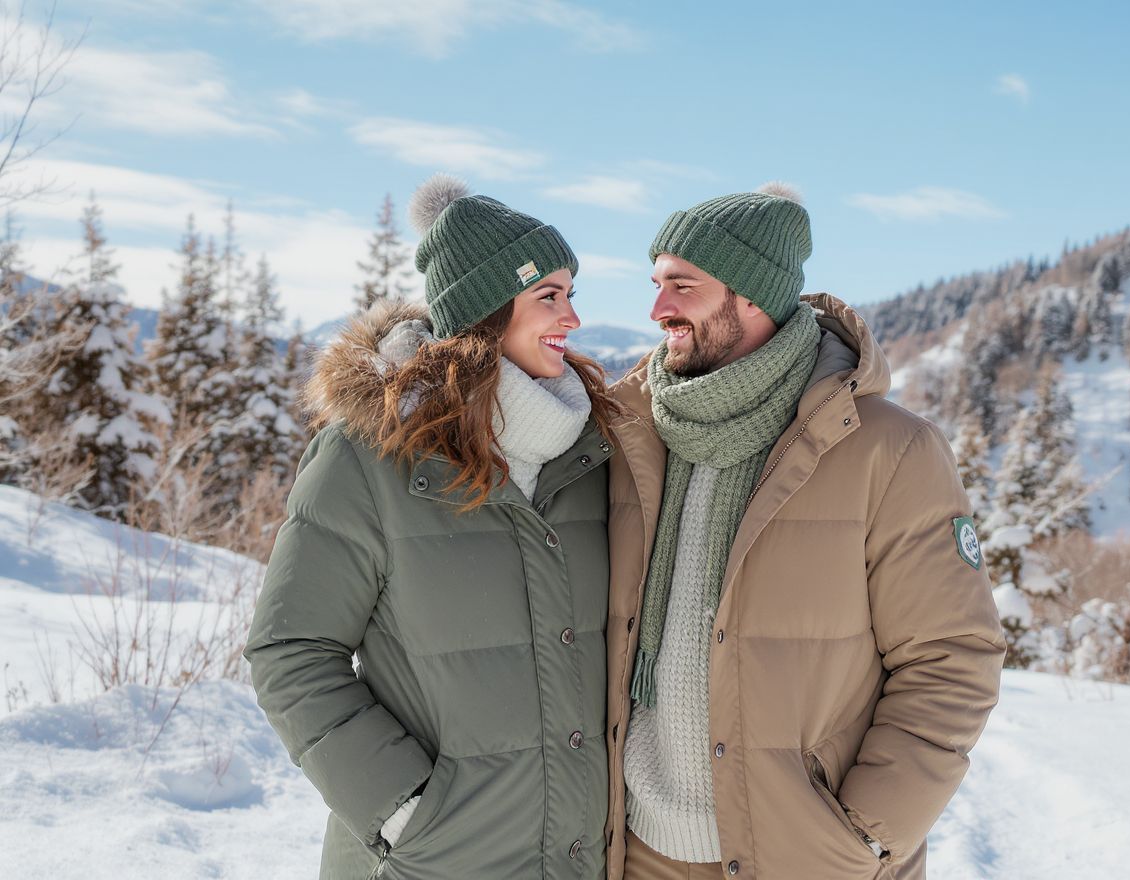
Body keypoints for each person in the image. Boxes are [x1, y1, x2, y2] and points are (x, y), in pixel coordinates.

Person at [603, 183, 1005, 879]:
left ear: (753, 295)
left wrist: (867, 837)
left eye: (682, 286)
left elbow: (953, 658)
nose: (657, 308)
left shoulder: (887, 449)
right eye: (656, 284)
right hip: (640, 853)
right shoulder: (631, 433)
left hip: (801, 857)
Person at [246, 174, 618, 880]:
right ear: (485, 311)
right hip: (428, 861)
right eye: (549, 295)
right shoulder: (369, 456)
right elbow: (289, 650)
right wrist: (400, 808)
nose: (571, 318)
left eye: (571, 294)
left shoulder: (593, 456)